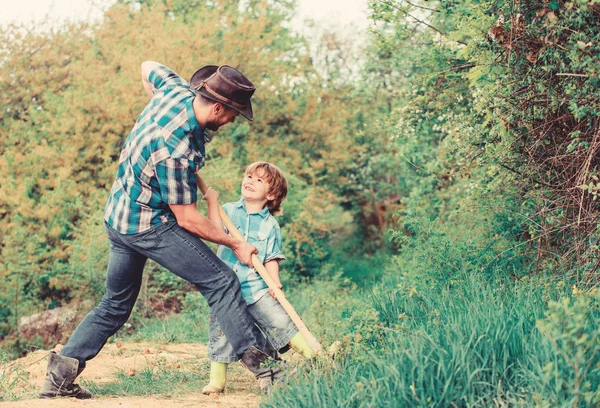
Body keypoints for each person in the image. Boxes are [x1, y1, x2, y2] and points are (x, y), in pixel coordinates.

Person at [39, 62, 287, 399]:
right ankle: (266, 369)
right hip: (148, 226)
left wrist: (151, 122)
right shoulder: (176, 151)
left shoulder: (174, 91)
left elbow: (146, 66)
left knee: (114, 305)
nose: (231, 121)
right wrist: (235, 243)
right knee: (222, 280)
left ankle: (58, 379)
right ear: (217, 107)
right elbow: (187, 219)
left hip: (118, 216)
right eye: (233, 114)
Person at [200, 162, 315, 395]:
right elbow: (215, 231)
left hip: (257, 288)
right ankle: (216, 381)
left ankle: (314, 355)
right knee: (221, 332)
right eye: (249, 176)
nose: (250, 181)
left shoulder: (270, 224)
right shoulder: (229, 210)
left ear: (271, 195)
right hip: (226, 290)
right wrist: (213, 202)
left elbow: (271, 257)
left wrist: (275, 283)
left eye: (259, 180)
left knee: (280, 320)